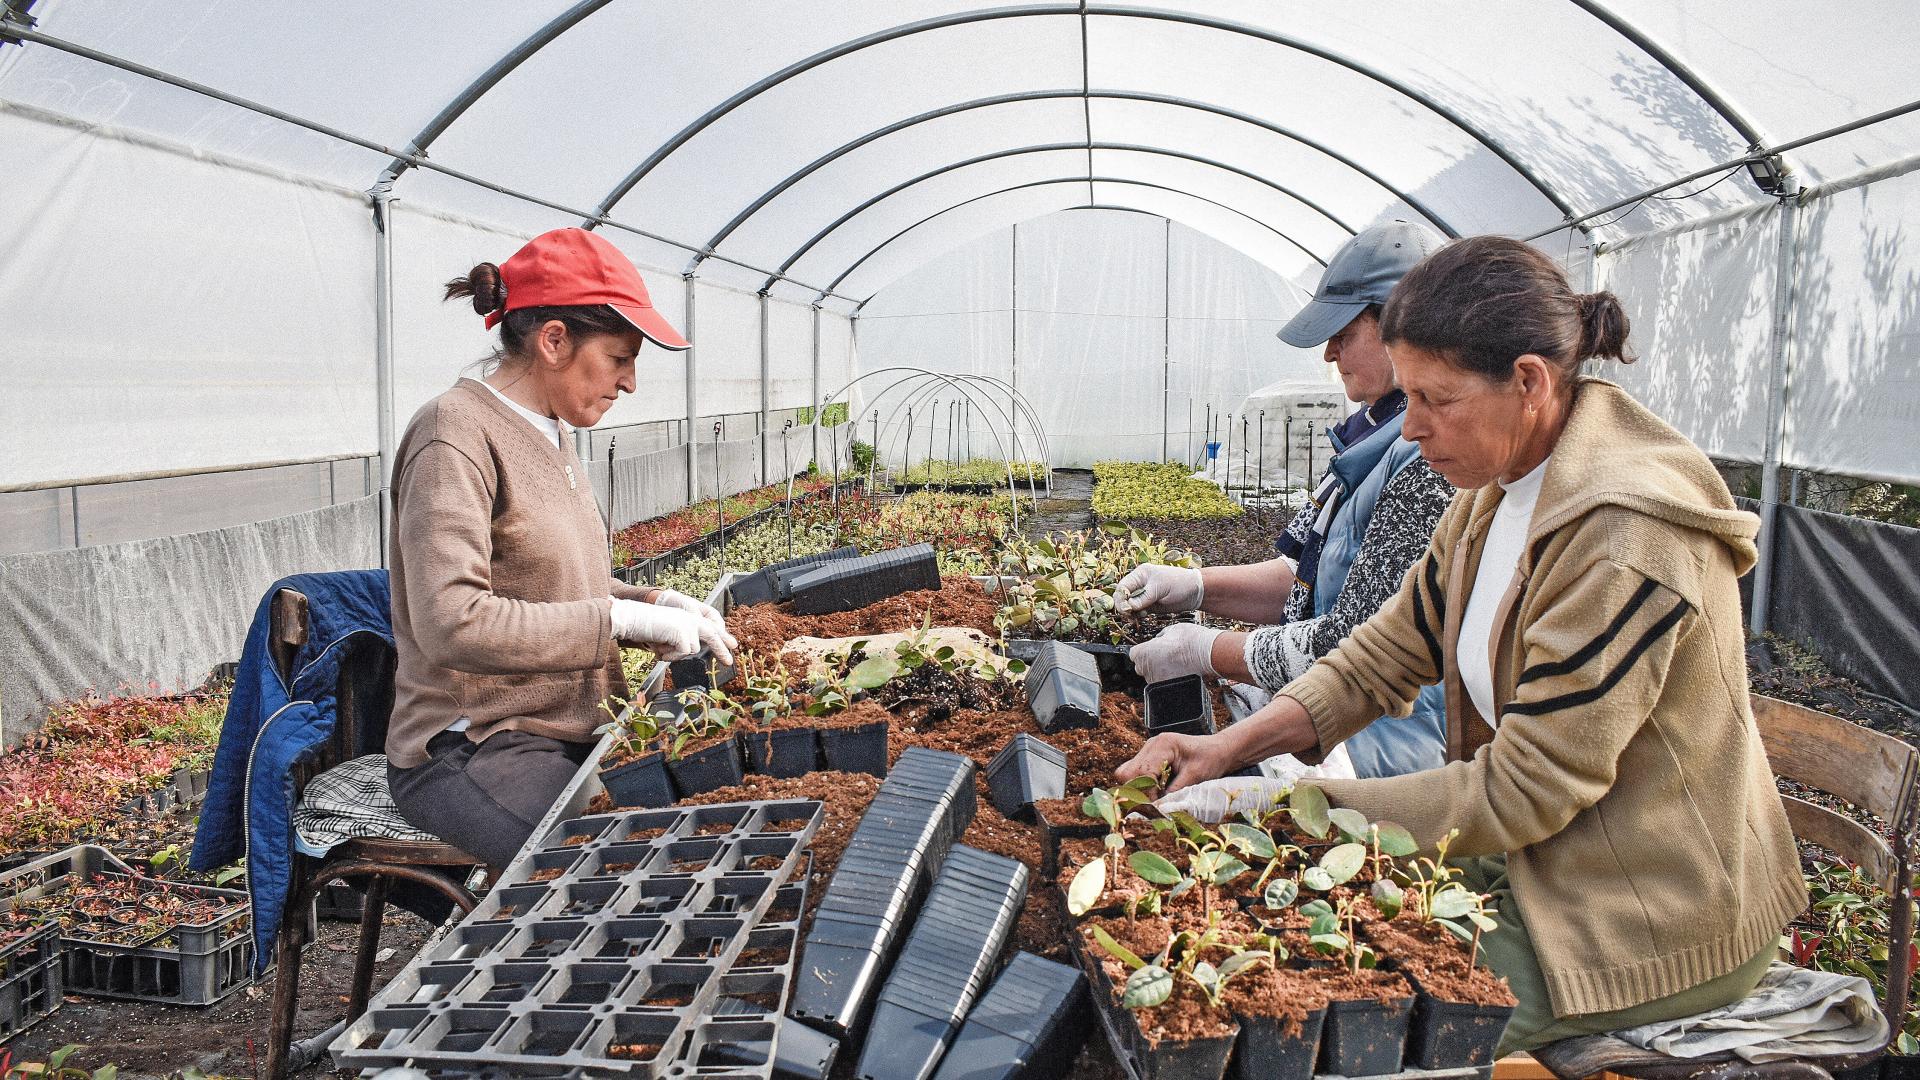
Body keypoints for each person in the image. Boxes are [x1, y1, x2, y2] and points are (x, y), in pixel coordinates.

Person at [1118, 236, 1806, 1055]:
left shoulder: (1625, 539)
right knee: (1295, 934)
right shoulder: (1493, 493)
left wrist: (1285, 807)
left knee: (1351, 1033)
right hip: (1538, 862)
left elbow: (1523, 793)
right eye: (1407, 396)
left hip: (1644, 912)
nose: (1410, 430)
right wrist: (1228, 749)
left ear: (1528, 382)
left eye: (1435, 399)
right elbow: (1382, 656)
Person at [384, 227, 737, 868]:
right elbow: (453, 623)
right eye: (618, 358)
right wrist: (619, 620)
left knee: (708, 812)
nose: (630, 382)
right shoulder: (453, 434)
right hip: (479, 745)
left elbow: (557, 585)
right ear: (553, 341)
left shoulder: (551, 433)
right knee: (618, 868)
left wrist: (652, 601)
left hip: (573, 729)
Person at [1118, 220, 1453, 778]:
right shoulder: (1368, 432)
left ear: (1402, 325)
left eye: (1344, 332)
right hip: (1316, 719)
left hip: (1375, 753)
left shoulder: (1429, 460)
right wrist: (1194, 586)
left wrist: (1209, 649)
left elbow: (1354, 646)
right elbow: (1302, 579)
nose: (1329, 353)